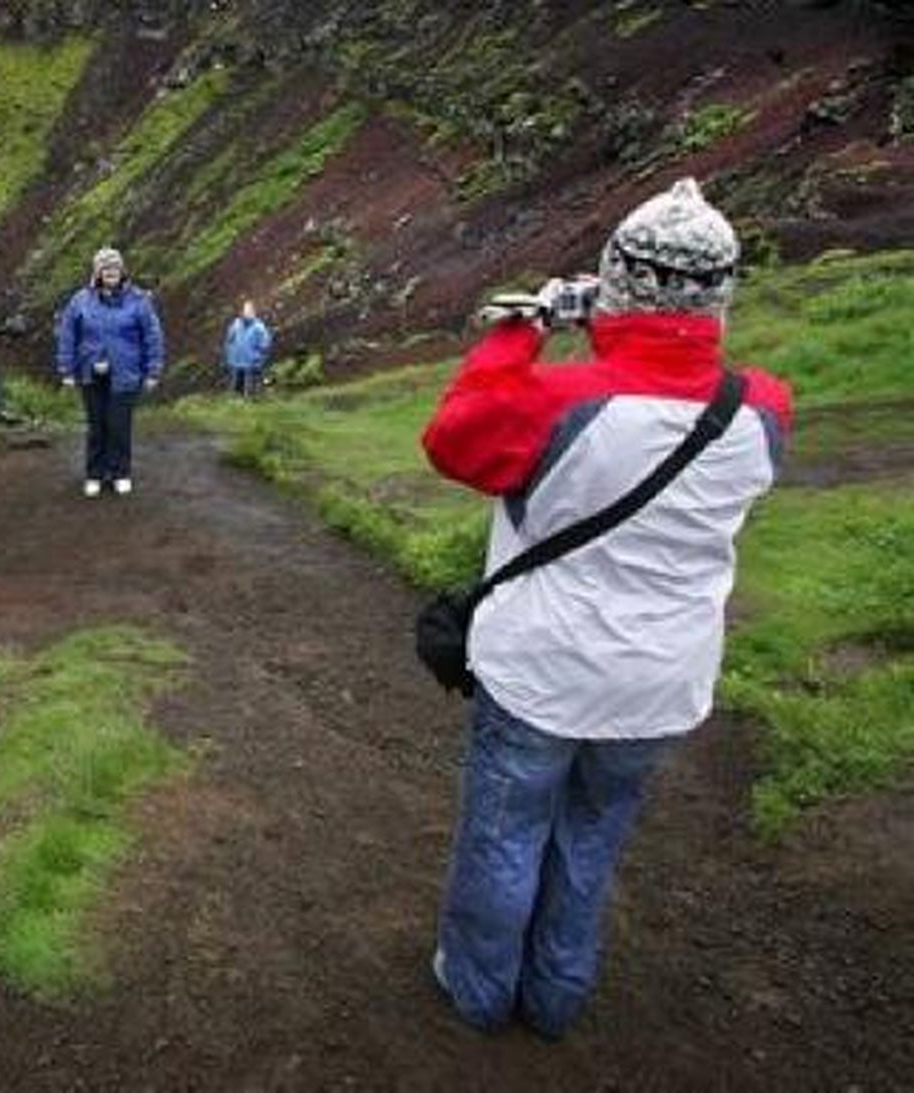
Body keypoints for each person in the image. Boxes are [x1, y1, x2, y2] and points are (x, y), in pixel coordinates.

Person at [419, 178, 792, 1039]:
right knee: (589, 835)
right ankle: (557, 994)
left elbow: (455, 436)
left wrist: (528, 325)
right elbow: (669, 389)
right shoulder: (761, 412)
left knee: (507, 830)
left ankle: (479, 989)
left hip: (542, 670)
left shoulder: (560, 403)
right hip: (661, 683)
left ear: (617, 282)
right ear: (720, 298)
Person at [55, 246, 164, 497]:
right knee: (96, 425)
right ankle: (95, 473)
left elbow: (152, 337)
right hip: (90, 373)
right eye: (105, 268)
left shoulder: (139, 300)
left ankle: (120, 472)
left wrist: (153, 371)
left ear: (122, 270)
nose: (110, 272)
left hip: (126, 373)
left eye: (114, 267)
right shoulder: (80, 300)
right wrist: (66, 369)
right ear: (97, 272)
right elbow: (68, 334)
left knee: (119, 425)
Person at [223, 299, 273, 397]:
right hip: (236, 361)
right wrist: (229, 354)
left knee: (250, 387)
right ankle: (237, 401)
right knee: (236, 386)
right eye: (245, 310)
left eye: (249, 310)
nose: (247, 313)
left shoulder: (259, 327)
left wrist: (259, 357)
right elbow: (229, 339)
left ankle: (251, 400)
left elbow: (265, 344)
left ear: (254, 312)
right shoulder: (236, 324)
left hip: (251, 362)